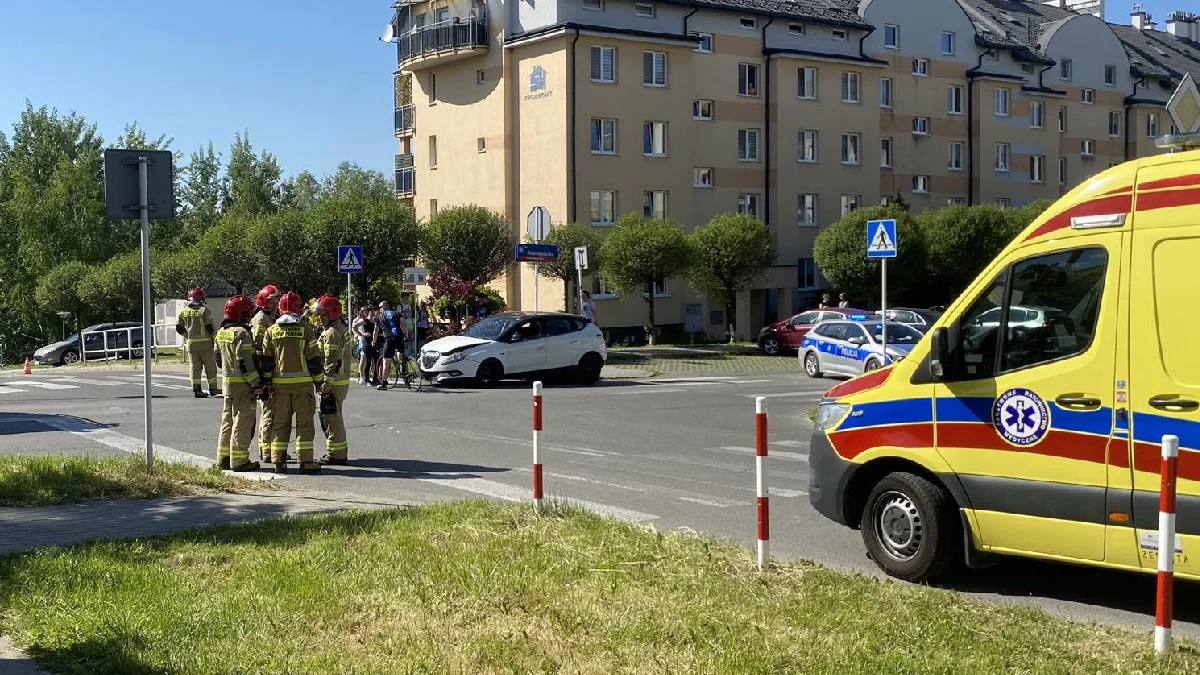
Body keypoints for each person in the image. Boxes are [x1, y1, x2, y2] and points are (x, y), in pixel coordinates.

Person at [261, 291, 324, 474]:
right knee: (304, 425)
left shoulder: (272, 330)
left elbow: (267, 361)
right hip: (303, 387)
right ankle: (306, 462)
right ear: (298, 308)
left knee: (280, 424)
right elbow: (314, 360)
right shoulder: (306, 330)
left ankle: (279, 461)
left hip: (279, 387)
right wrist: (319, 383)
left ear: (281, 308)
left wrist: (266, 382)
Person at [214, 295, 262, 472]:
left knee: (227, 421)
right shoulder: (241, 333)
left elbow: (218, 359)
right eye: (246, 313)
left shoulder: (221, 332)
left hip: (228, 386)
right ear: (240, 314)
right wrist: (256, 383)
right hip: (243, 386)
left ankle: (223, 458)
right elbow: (244, 362)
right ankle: (240, 461)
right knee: (242, 422)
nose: (248, 317)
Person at [315, 294, 352, 465]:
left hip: (332, 383)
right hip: (340, 381)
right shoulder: (341, 328)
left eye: (322, 314)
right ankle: (337, 451)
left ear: (333, 313)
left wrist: (326, 384)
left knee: (331, 419)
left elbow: (332, 361)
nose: (319, 318)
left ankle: (336, 454)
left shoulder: (332, 333)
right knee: (334, 417)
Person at [250, 284, 281, 462]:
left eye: (276, 301)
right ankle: (266, 450)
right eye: (271, 301)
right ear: (262, 301)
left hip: (273, 370)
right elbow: (259, 347)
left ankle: (270, 448)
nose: (275, 304)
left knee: (274, 412)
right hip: (265, 371)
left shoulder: (272, 317)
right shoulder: (261, 319)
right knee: (269, 412)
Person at [175, 288, 220, 398]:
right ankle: (213, 388)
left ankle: (197, 390)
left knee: (195, 367)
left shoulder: (184, 312)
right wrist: (216, 340)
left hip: (191, 344)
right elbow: (210, 328)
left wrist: (188, 336)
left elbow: (179, 328)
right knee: (210, 367)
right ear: (200, 298)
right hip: (205, 345)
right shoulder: (204, 311)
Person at [374, 301, 402, 390]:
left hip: (389, 339)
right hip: (399, 337)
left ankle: (383, 384)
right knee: (400, 351)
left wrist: (374, 342)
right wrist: (406, 335)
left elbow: (375, 331)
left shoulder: (380, 317)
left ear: (382, 307)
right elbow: (404, 324)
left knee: (386, 360)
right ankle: (402, 368)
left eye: (379, 308)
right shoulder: (397, 313)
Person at [357, 307, 378, 386]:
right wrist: (362, 334)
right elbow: (354, 327)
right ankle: (365, 378)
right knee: (367, 361)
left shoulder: (375, 321)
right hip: (366, 342)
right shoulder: (364, 321)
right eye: (372, 311)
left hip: (374, 342)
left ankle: (375, 379)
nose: (374, 313)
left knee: (375, 361)